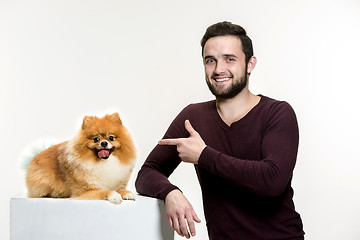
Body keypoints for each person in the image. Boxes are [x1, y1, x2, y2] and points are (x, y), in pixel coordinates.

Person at [135, 21, 304, 240]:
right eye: (210, 61)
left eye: (229, 59)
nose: (218, 69)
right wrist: (170, 193)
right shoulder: (193, 117)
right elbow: (147, 173)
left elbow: (271, 181)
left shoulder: (277, 113)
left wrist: (204, 155)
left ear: (250, 64)